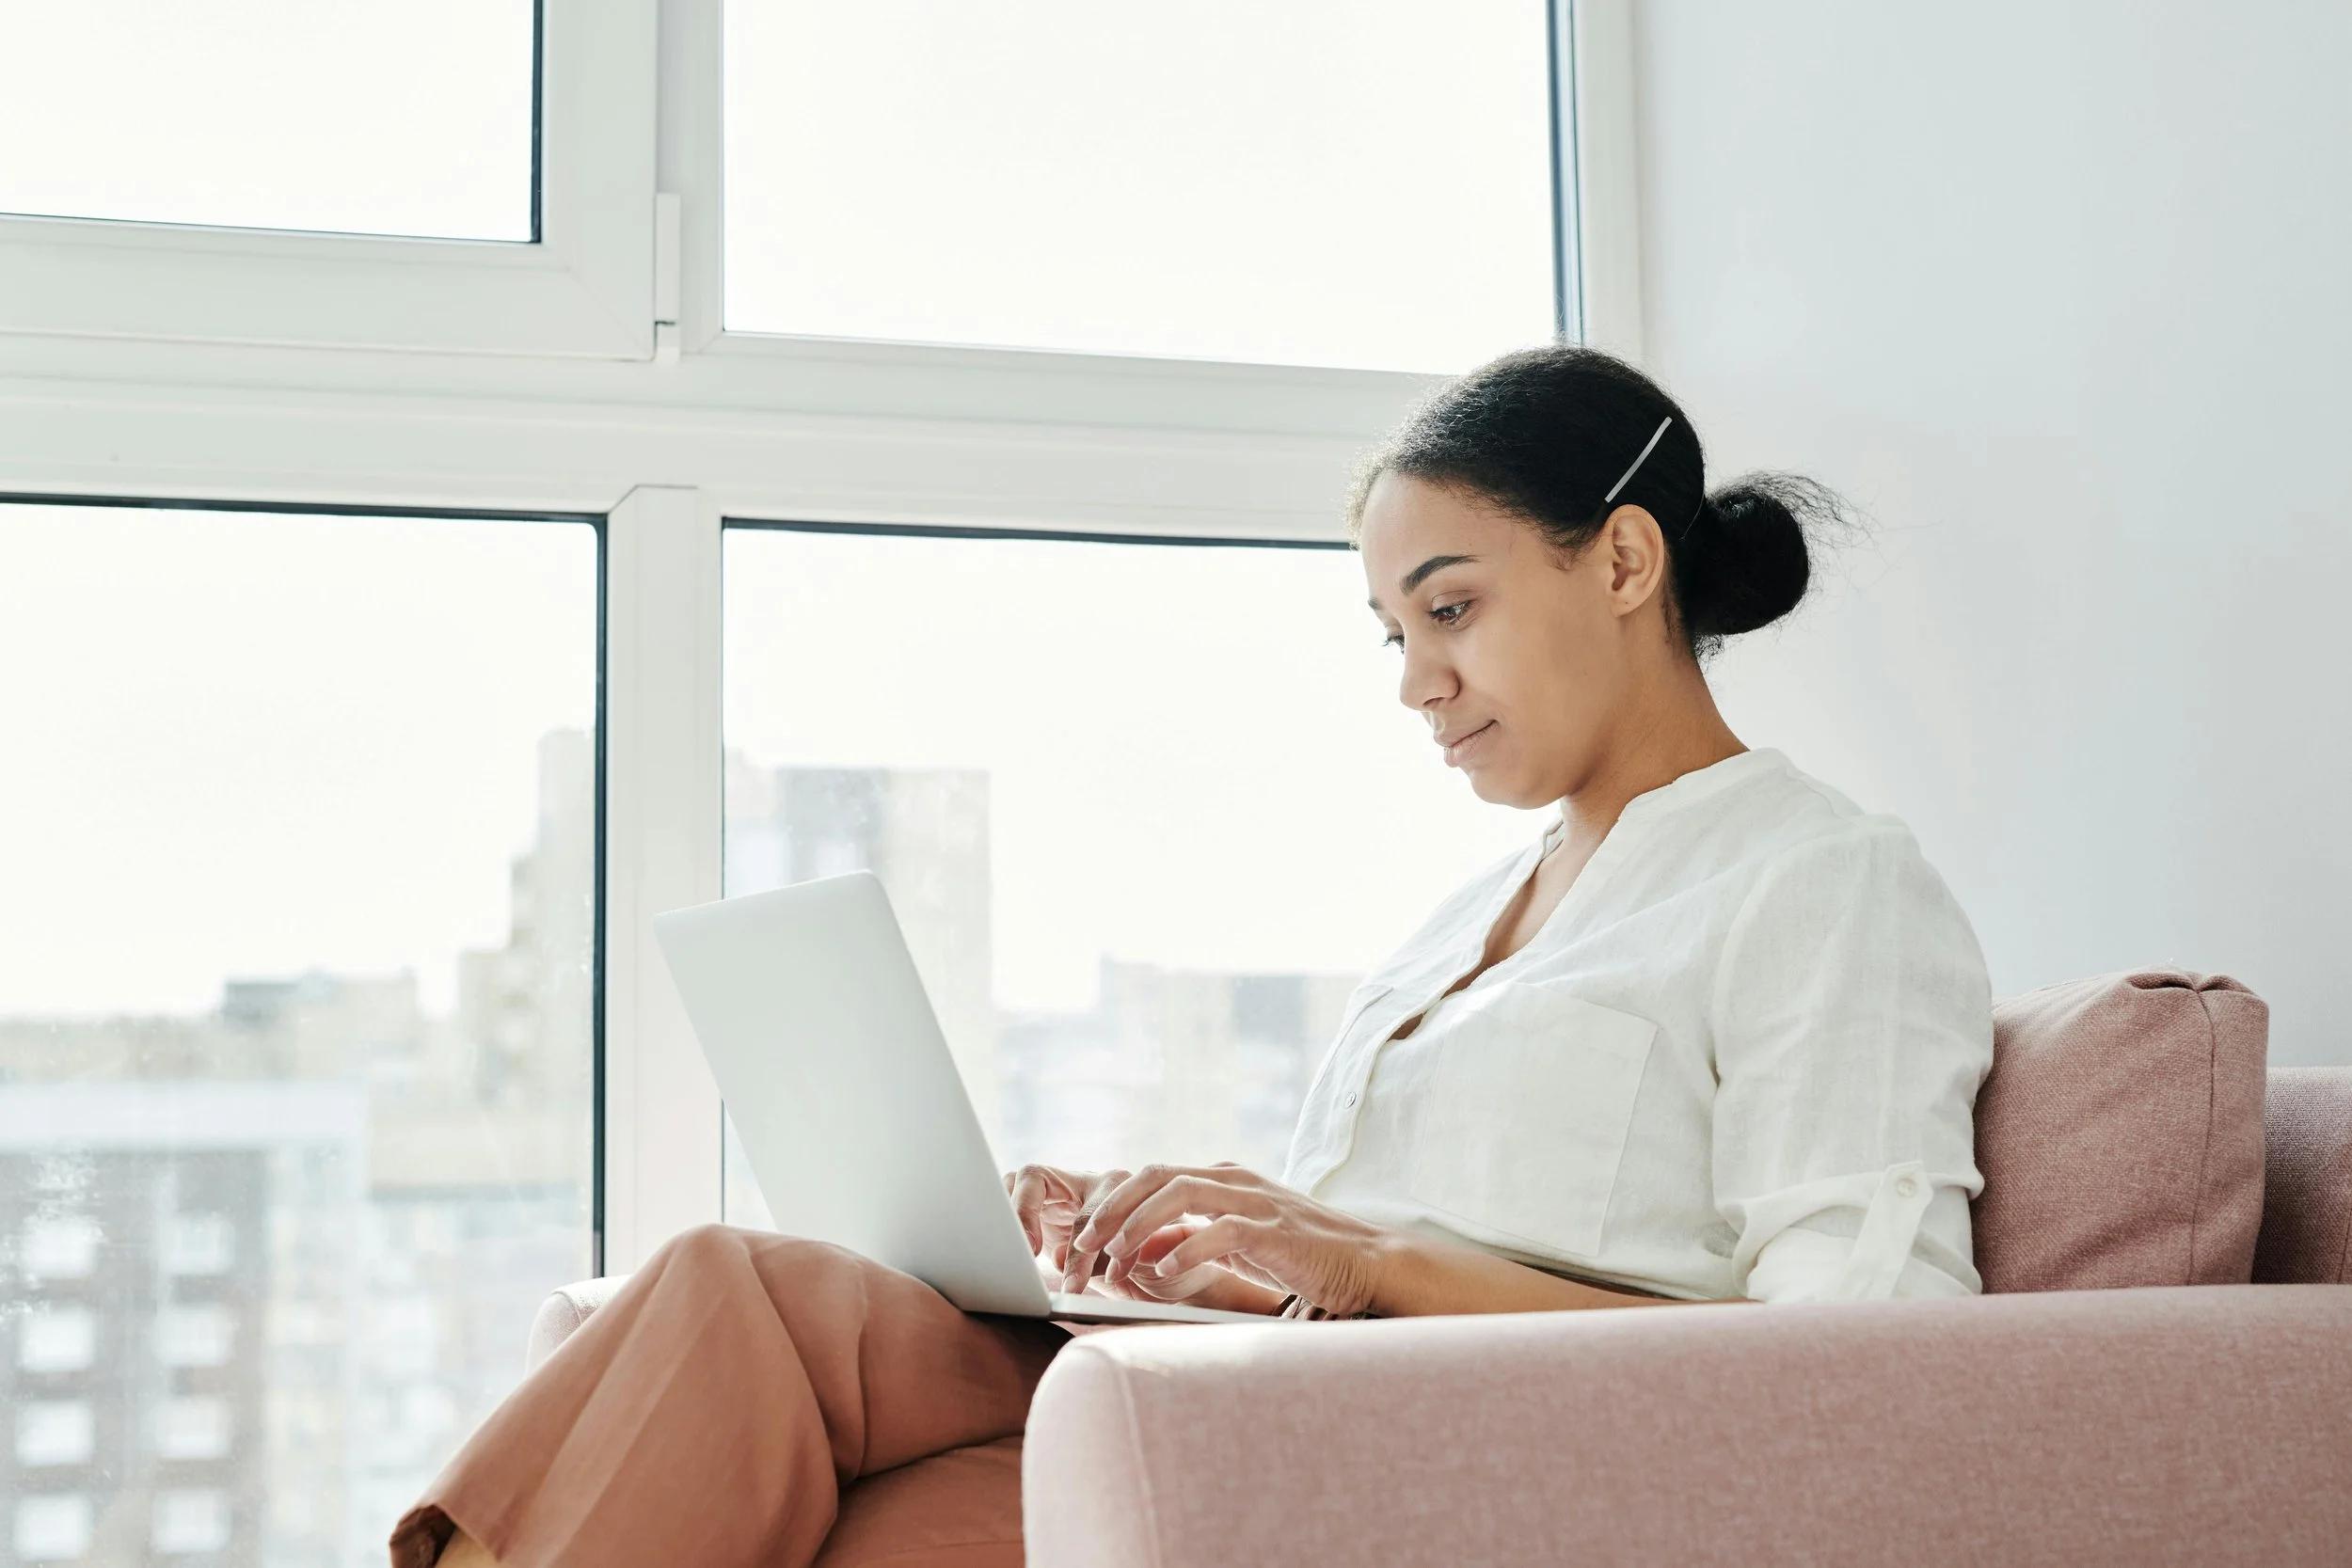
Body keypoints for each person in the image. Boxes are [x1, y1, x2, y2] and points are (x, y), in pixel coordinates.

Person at [392, 345, 1992, 1568]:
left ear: (1625, 563)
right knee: (772, 1349)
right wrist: (1176, 1247)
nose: (1419, 684)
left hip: (1469, 1476)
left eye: (1452, 608)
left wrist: (1368, 1269)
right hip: (1273, 1408)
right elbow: (1349, 1259)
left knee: (802, 1403)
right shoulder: (1468, 919)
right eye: (1394, 635)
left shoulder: (1821, 879)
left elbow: (1858, 1378)